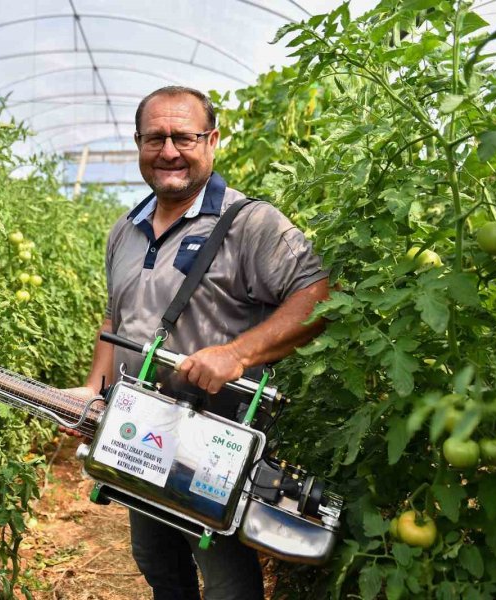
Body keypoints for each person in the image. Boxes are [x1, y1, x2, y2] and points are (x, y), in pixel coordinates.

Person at [66, 85, 330, 600]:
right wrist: (94, 387)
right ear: (138, 143)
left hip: (210, 437)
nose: (168, 151)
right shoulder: (126, 228)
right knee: (155, 559)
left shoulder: (249, 223)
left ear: (211, 140)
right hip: (138, 433)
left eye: (183, 137)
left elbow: (318, 297)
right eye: (155, 138)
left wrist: (237, 354)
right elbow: (115, 312)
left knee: (225, 578)